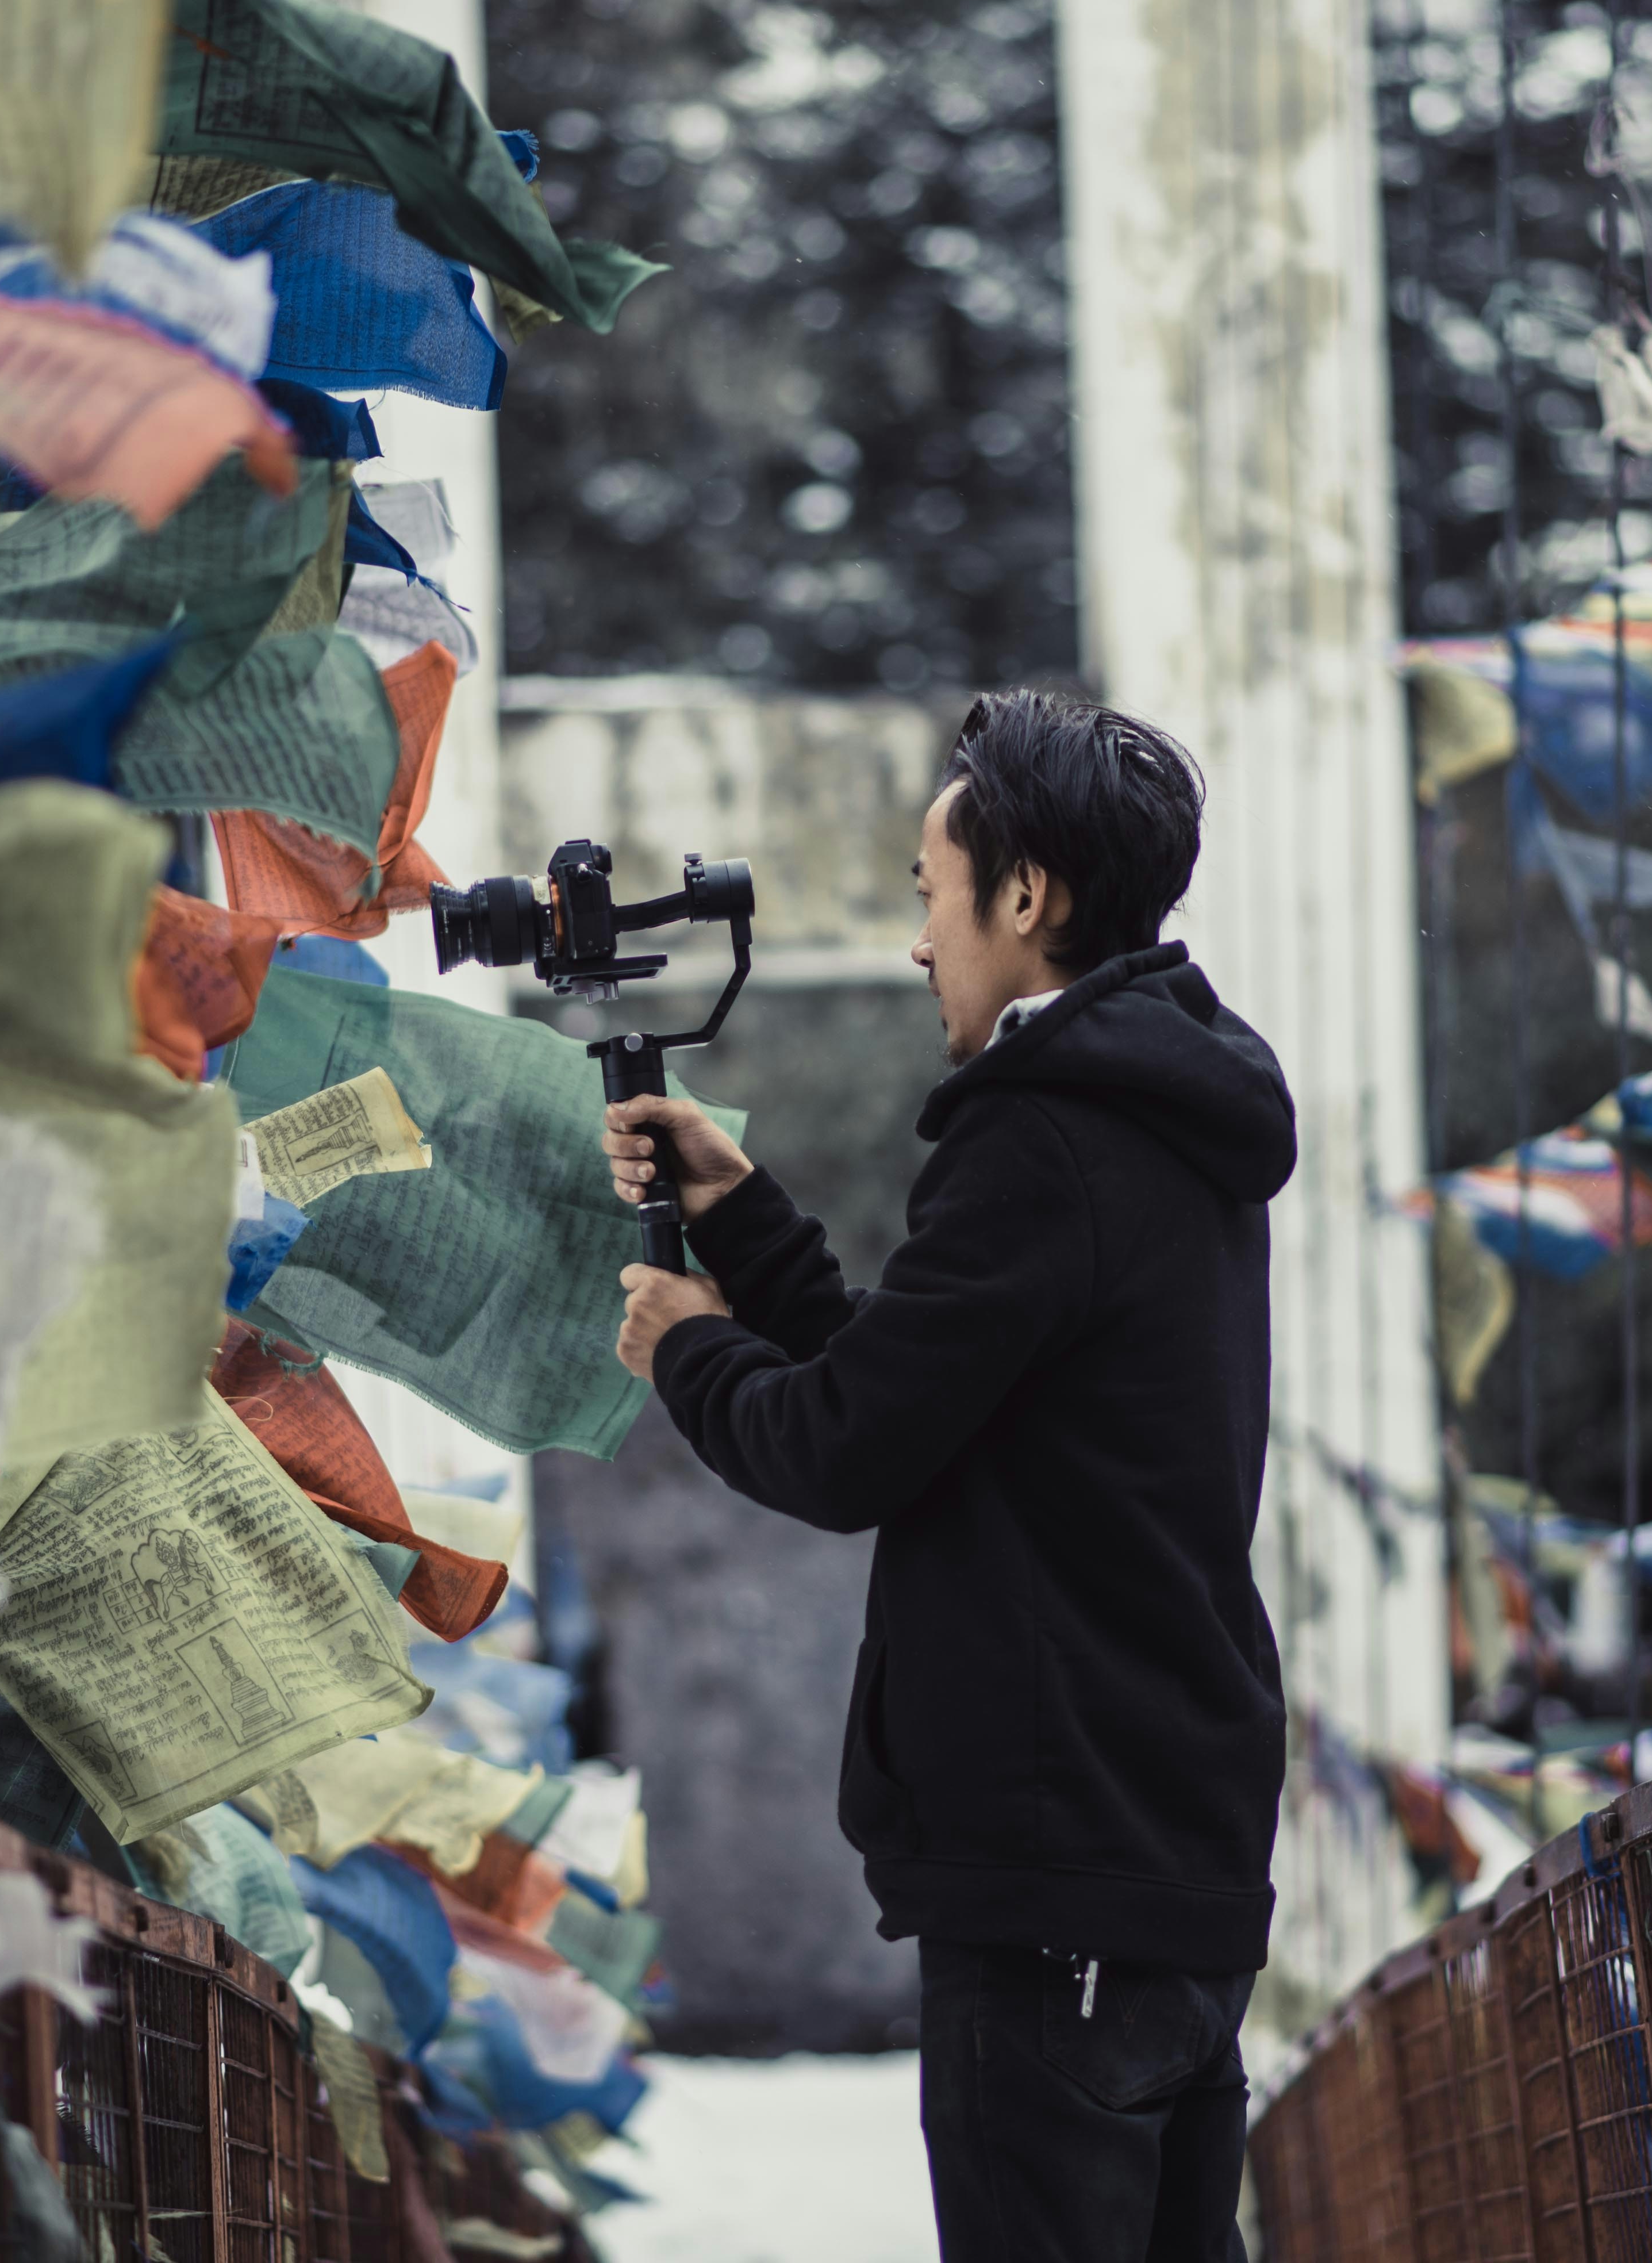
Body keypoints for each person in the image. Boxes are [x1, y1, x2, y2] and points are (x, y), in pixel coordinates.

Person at [600, 689, 1294, 2262]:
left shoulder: (1039, 1137)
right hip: (1162, 1858)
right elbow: (928, 1402)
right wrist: (747, 1217)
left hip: (1053, 1882)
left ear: (1025, 899)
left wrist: (685, 1348)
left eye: (930, 894)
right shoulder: (1161, 1115)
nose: (922, 942)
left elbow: (847, 1448)